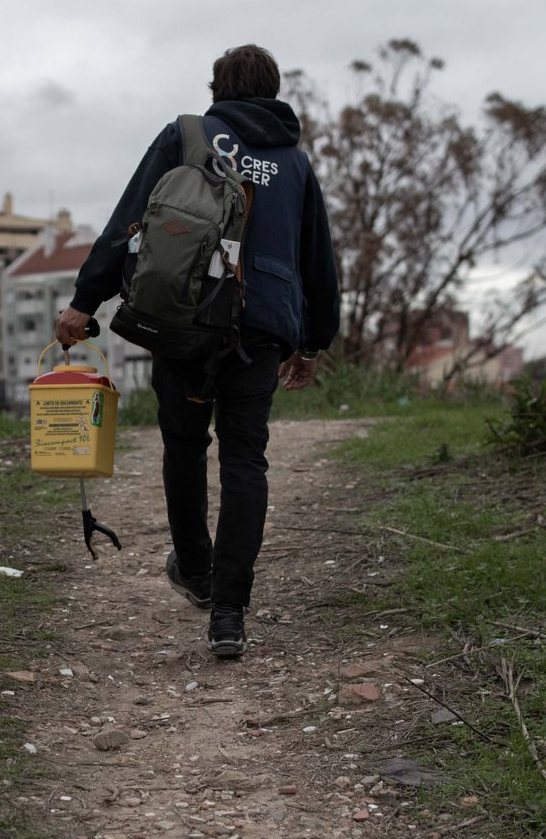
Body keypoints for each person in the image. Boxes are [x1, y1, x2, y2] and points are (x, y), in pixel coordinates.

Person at [55, 43, 340, 660]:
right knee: (246, 460)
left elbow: (129, 220)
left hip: (185, 320)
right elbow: (318, 257)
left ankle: (197, 571)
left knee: (185, 446)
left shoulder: (188, 135)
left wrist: (85, 300)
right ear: (273, 90)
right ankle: (231, 612)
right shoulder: (294, 161)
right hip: (262, 328)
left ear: (218, 90)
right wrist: (313, 342)